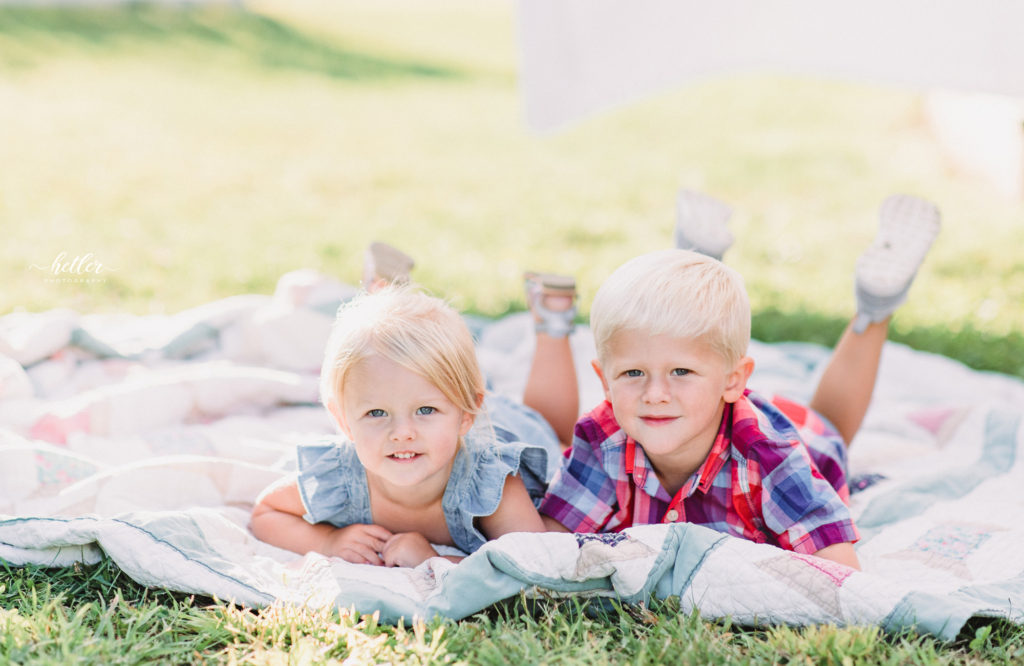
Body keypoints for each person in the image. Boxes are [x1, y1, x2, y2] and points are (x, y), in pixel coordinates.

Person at [537, 192, 942, 570]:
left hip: (803, 432)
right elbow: (546, 546)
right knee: (690, 337)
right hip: (713, 408)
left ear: (735, 381)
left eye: (681, 372)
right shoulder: (600, 438)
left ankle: (875, 306)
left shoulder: (770, 457)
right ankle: (696, 261)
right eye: (632, 373)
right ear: (604, 382)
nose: (654, 395)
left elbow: (838, 566)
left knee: (832, 422)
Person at [250, 285, 551, 567]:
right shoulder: (340, 475)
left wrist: (433, 560)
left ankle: (552, 328)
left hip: (506, 422)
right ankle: (384, 296)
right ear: (343, 421)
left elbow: (534, 564)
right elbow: (266, 512)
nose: (403, 432)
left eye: (425, 410)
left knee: (553, 429)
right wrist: (328, 541)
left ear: (465, 414)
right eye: (377, 412)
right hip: (459, 409)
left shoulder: (490, 481)